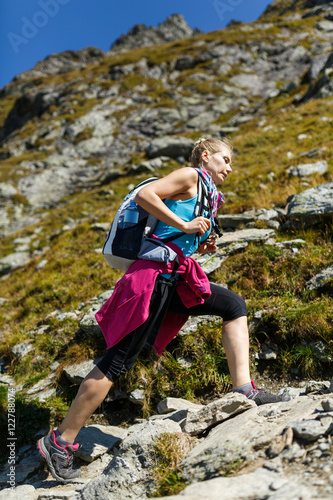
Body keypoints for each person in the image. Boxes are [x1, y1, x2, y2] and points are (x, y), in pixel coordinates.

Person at [37, 137, 282, 483]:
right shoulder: (190, 176)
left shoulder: (207, 196)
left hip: (175, 278)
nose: (229, 167)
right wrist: (184, 227)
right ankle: (59, 441)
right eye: (225, 159)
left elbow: (173, 232)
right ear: (206, 156)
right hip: (151, 278)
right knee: (117, 362)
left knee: (232, 305)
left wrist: (199, 239)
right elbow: (144, 196)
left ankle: (244, 389)